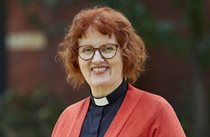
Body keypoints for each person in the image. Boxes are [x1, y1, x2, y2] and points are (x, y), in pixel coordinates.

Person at [52, 6, 186, 137]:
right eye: (87, 50)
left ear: (125, 54)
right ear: (77, 58)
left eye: (107, 49)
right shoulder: (67, 118)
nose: (97, 59)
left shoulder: (156, 110)